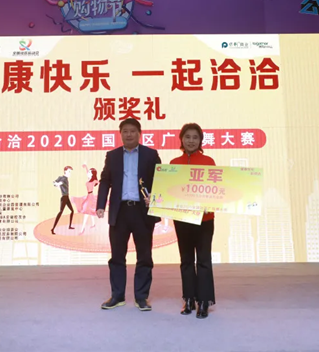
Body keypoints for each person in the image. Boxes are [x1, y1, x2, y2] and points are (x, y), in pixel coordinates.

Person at [97, 118, 161, 311]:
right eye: (125, 131)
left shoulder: (150, 154)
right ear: (120, 134)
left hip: (142, 212)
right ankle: (117, 296)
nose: (129, 134)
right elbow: (105, 181)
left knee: (144, 256)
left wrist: (156, 200)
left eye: (133, 131)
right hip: (120, 211)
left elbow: (161, 180)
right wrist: (101, 205)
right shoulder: (112, 155)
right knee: (117, 256)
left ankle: (141, 297)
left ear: (139, 133)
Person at [170, 123, 216, 319]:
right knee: (186, 260)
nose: (191, 140)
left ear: (200, 140)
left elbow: (216, 190)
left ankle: (204, 301)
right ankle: (188, 299)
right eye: (187, 137)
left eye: (195, 137)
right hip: (182, 218)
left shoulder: (208, 162)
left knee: (203, 260)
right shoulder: (174, 164)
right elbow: (169, 191)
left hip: (204, 219)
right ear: (181, 139)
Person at [51, 166, 75, 234]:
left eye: (70, 172)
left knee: (72, 211)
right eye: (69, 172)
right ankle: (53, 229)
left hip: (66, 197)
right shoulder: (64, 178)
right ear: (65, 171)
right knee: (61, 212)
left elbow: (55, 182)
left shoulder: (62, 178)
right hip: (64, 198)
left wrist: (56, 185)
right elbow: (60, 183)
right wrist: (57, 184)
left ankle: (69, 226)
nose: (70, 173)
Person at [76, 165, 99, 234]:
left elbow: (99, 182)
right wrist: (86, 167)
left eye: (89, 172)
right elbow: (87, 172)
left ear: (92, 174)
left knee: (86, 213)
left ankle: (82, 229)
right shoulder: (89, 178)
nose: (88, 173)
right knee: (89, 211)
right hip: (88, 196)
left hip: (91, 197)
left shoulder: (94, 181)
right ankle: (93, 224)